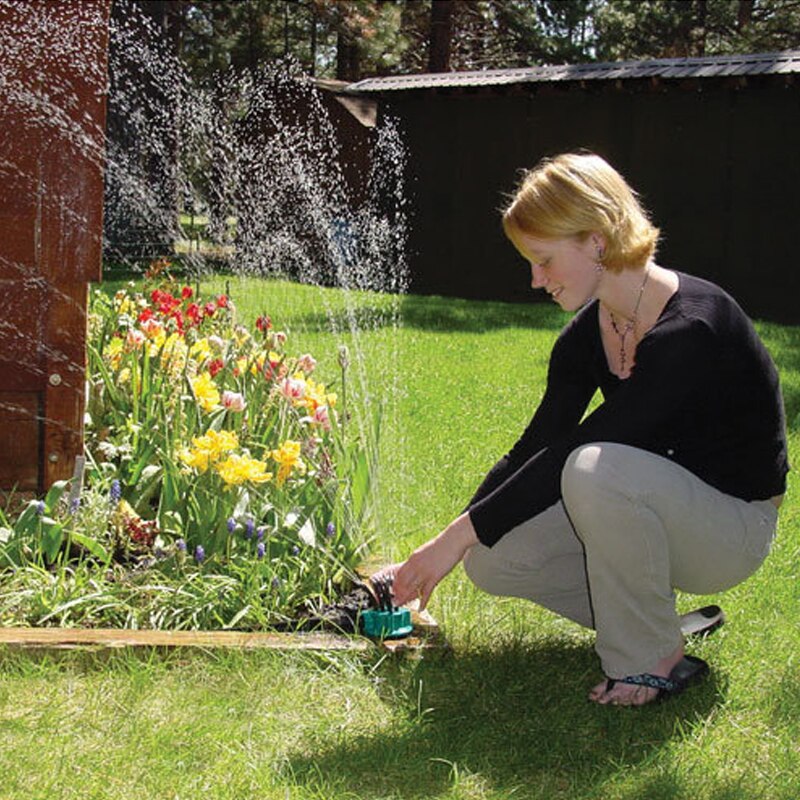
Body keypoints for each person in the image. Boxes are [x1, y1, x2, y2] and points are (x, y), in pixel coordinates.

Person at [380, 152, 788, 706]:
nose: (535, 279)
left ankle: (652, 659)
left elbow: (575, 452)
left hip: (731, 528)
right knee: (493, 557)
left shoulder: (693, 327)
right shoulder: (587, 334)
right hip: (651, 509)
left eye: (544, 260)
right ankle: (654, 624)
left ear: (596, 241)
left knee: (593, 467)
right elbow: (533, 449)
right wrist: (450, 543)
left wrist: (450, 540)